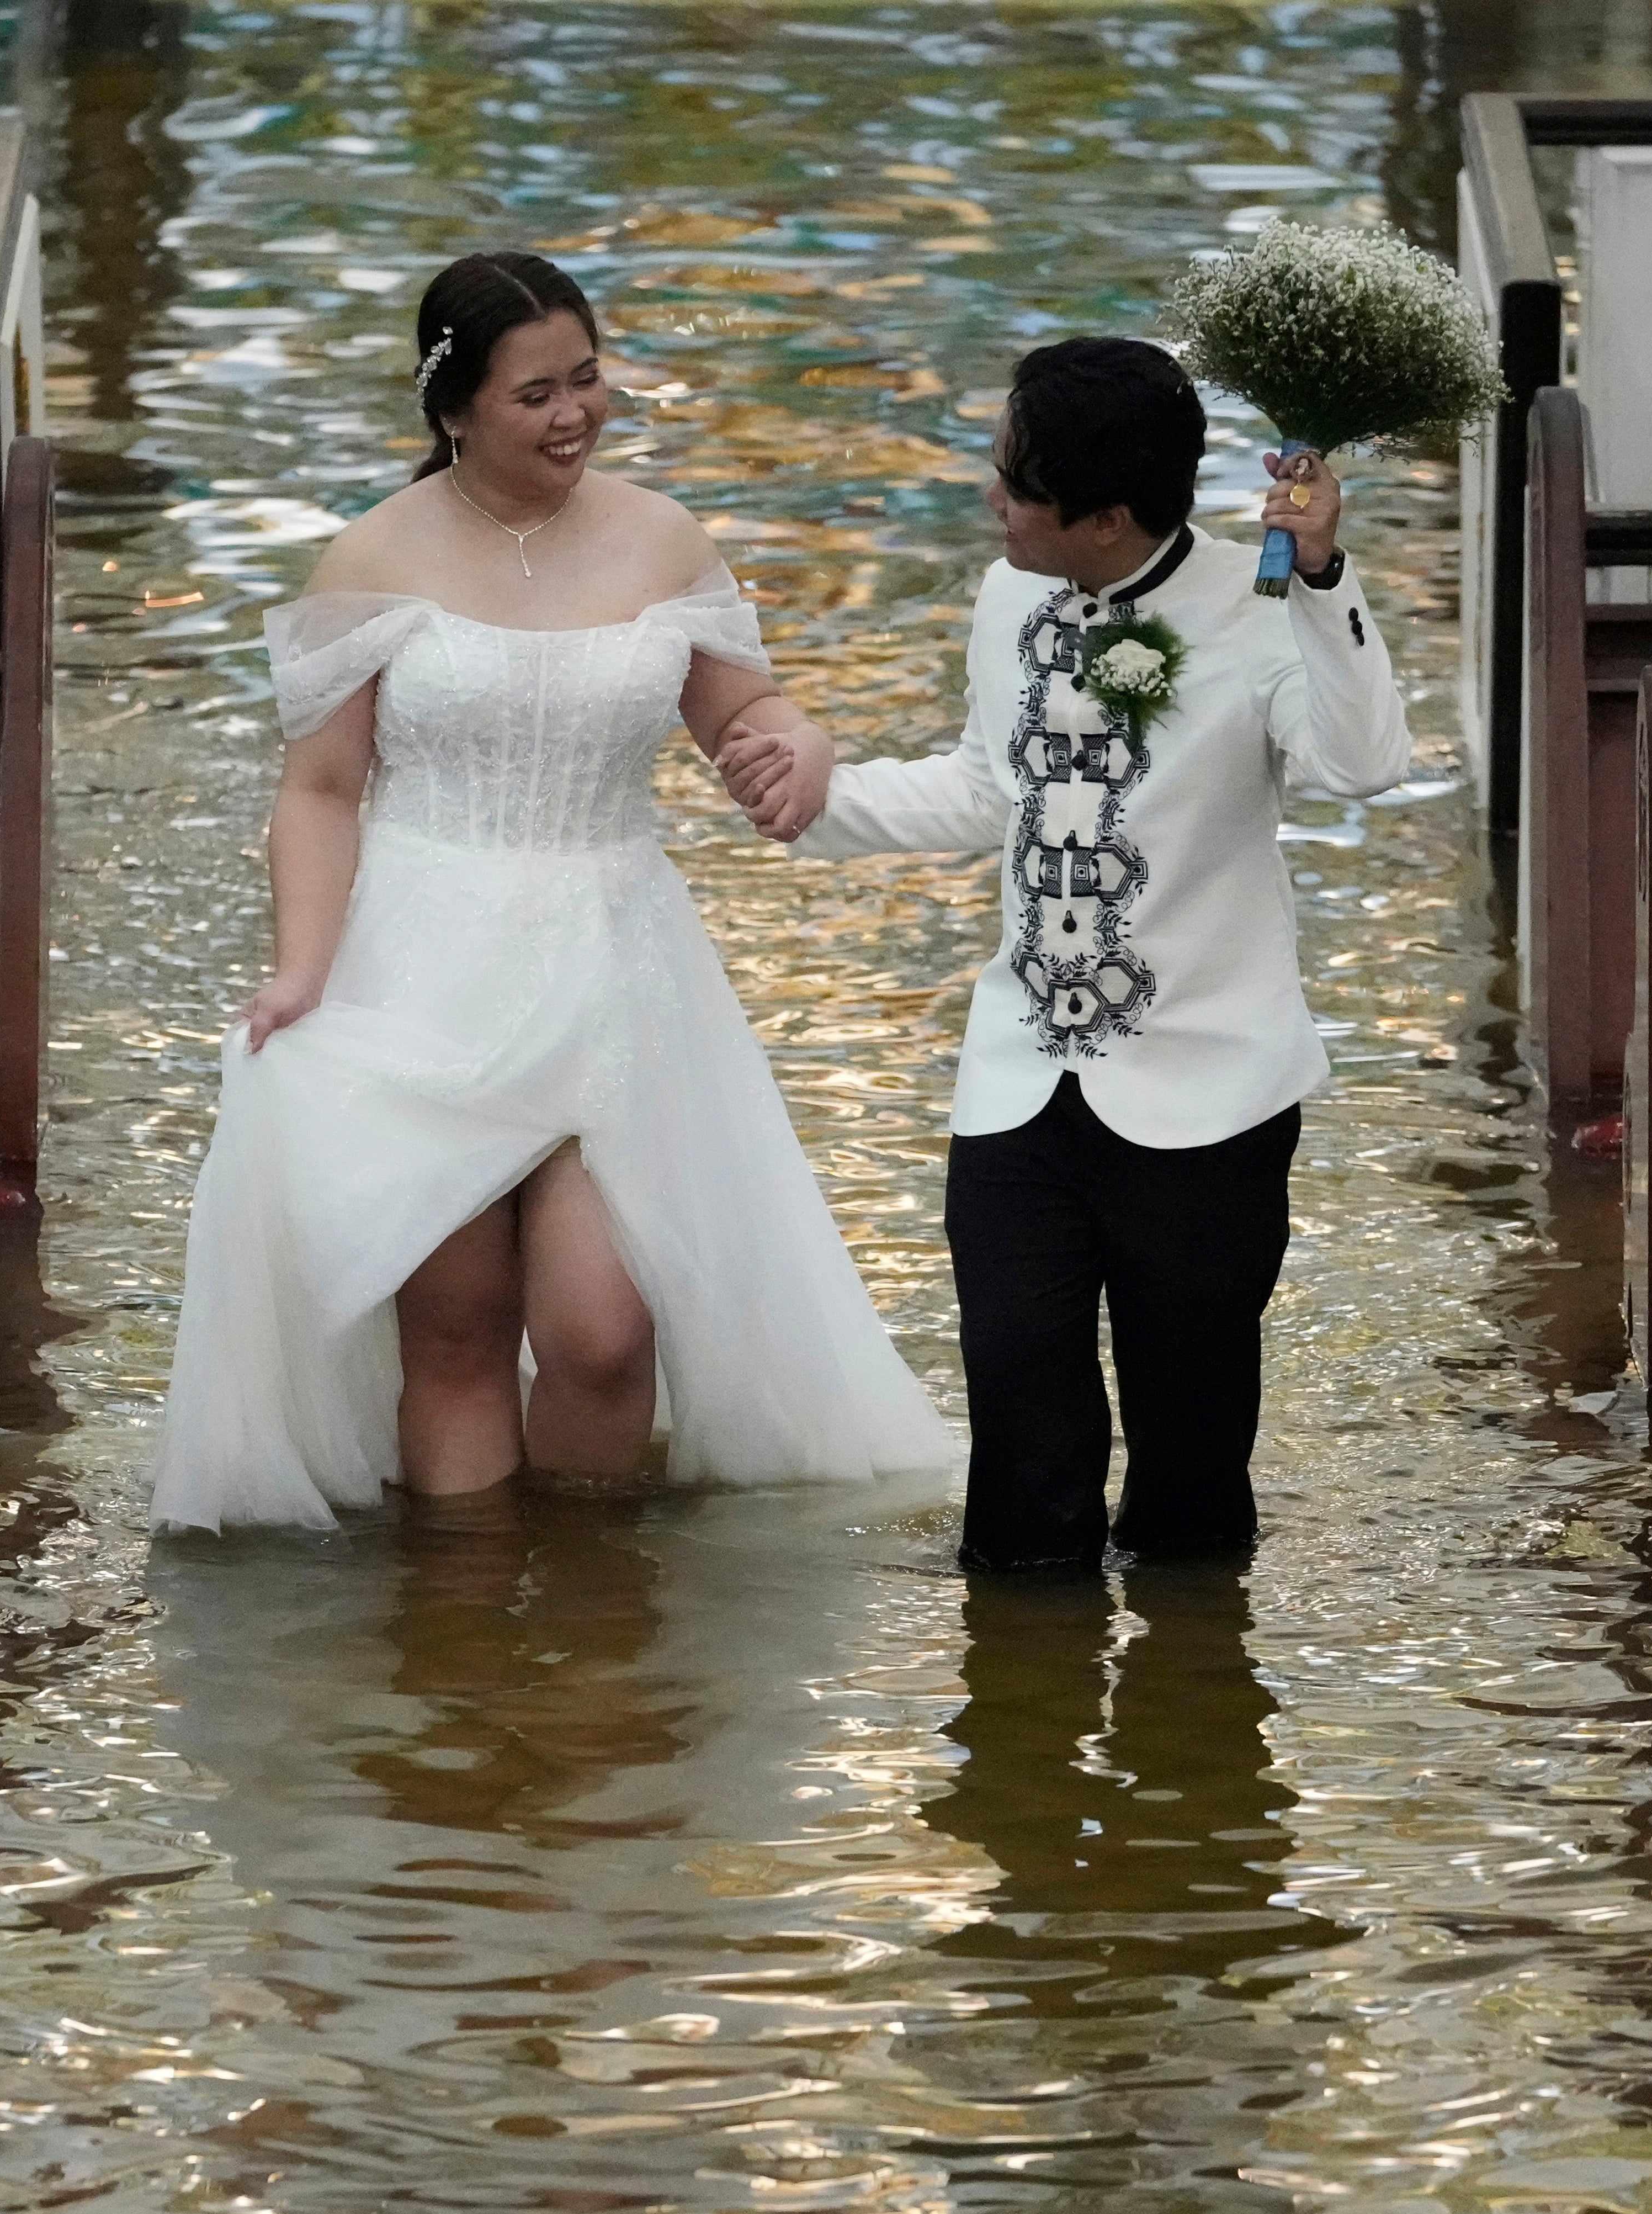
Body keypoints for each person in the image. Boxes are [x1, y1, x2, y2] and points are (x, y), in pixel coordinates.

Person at [151, 251, 953, 1533]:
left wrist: (799, 748)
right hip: (423, 961)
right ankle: (468, 1640)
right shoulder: (373, 556)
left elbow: (746, 708)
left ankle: (587, 1624)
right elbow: (319, 790)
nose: (575, 412)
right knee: (458, 1330)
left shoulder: (661, 536)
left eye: (588, 380)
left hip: (615, 952)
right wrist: (303, 969)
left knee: (603, 1332)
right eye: (537, 394)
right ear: (455, 409)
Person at [722, 337, 1410, 1577]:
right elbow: (994, 790)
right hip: (1020, 1089)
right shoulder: (1007, 595)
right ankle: (1018, 1735)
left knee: (1192, 1490)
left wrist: (1322, 577)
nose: (991, 499)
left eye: (1013, 485)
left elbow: (1361, 766)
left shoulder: (1260, 613)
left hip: (1213, 1100)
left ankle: (1190, 1735)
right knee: (1022, 1470)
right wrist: (815, 802)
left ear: (1103, 516)